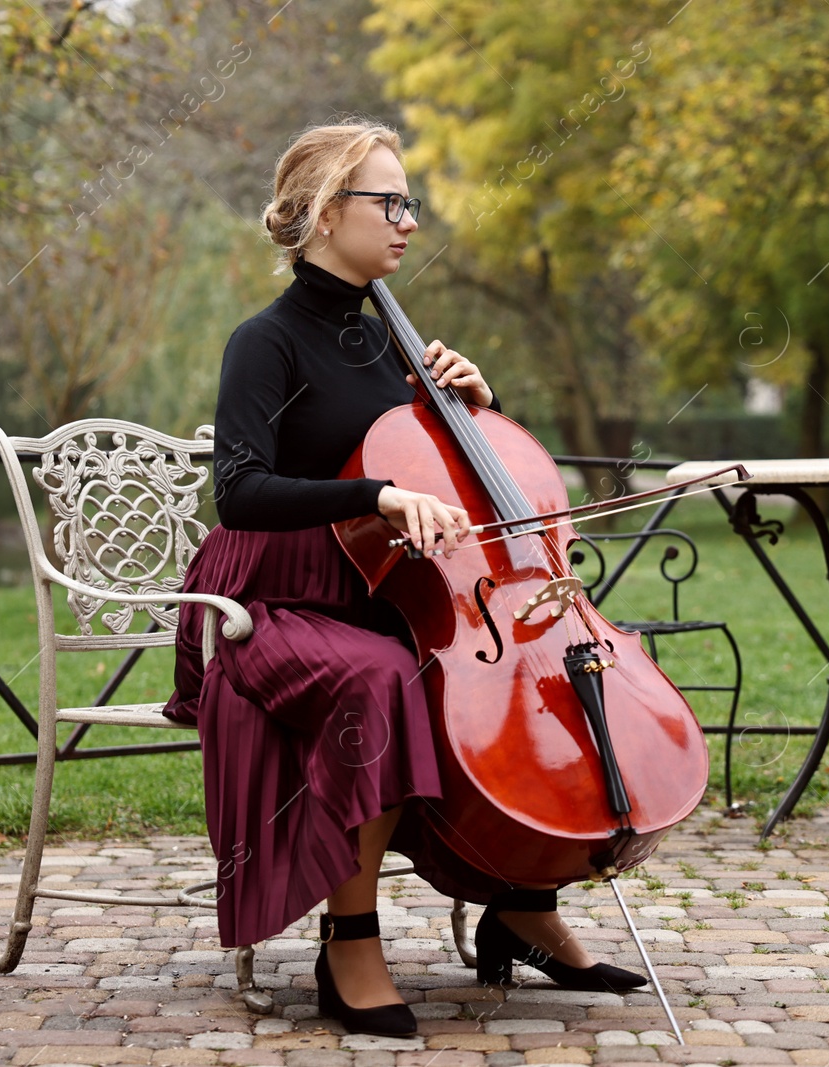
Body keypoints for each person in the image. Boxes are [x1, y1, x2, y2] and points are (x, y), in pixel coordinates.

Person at [162, 119, 646, 1038]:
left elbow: (457, 480)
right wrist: (374, 493)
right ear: (319, 212)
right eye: (388, 202)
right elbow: (239, 492)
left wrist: (477, 405)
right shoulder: (264, 342)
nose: (408, 222)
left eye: (408, 202)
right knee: (384, 677)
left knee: (513, 681)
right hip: (268, 599)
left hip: (383, 589)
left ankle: (522, 900)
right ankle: (351, 938)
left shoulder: (392, 343)